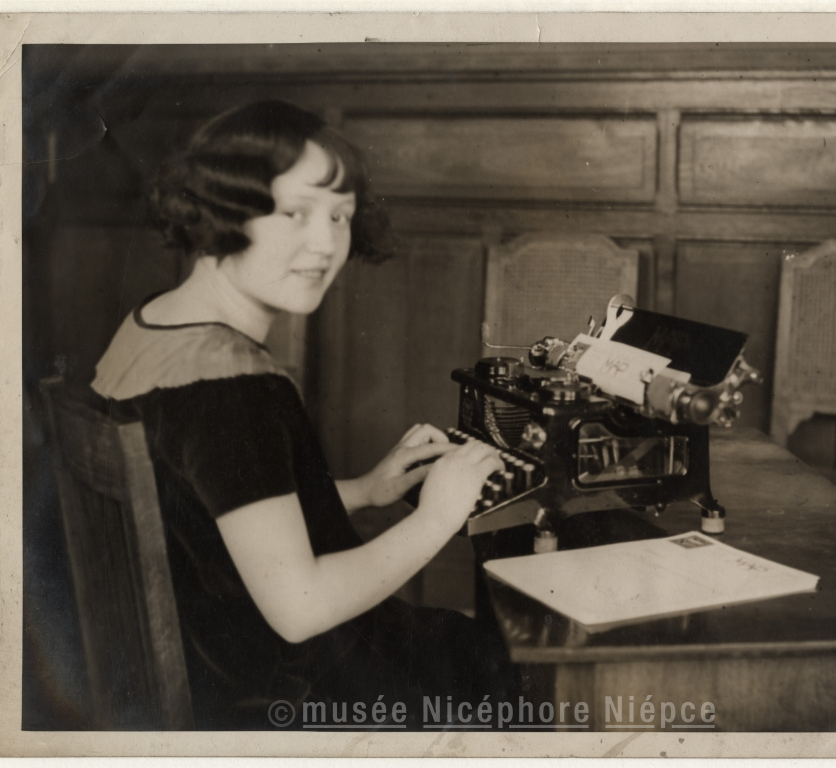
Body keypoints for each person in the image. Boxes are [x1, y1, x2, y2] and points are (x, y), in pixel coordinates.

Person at [88, 101, 516, 729]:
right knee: (523, 668)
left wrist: (364, 491)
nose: (326, 244)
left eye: (340, 215)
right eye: (295, 213)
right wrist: (438, 516)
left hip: (232, 657)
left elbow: (212, 515)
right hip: (298, 691)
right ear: (221, 211)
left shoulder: (155, 322)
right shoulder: (232, 389)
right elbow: (300, 609)